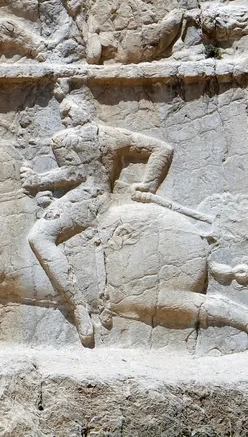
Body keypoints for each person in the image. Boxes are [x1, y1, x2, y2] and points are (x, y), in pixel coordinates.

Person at [21, 82, 174, 347]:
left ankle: (78, 307)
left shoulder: (68, 139)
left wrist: (38, 180)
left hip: (86, 199)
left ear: (82, 108)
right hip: (101, 197)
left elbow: (76, 173)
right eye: (62, 115)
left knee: (39, 237)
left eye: (67, 113)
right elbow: (162, 148)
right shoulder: (115, 134)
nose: (65, 119)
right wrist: (147, 184)